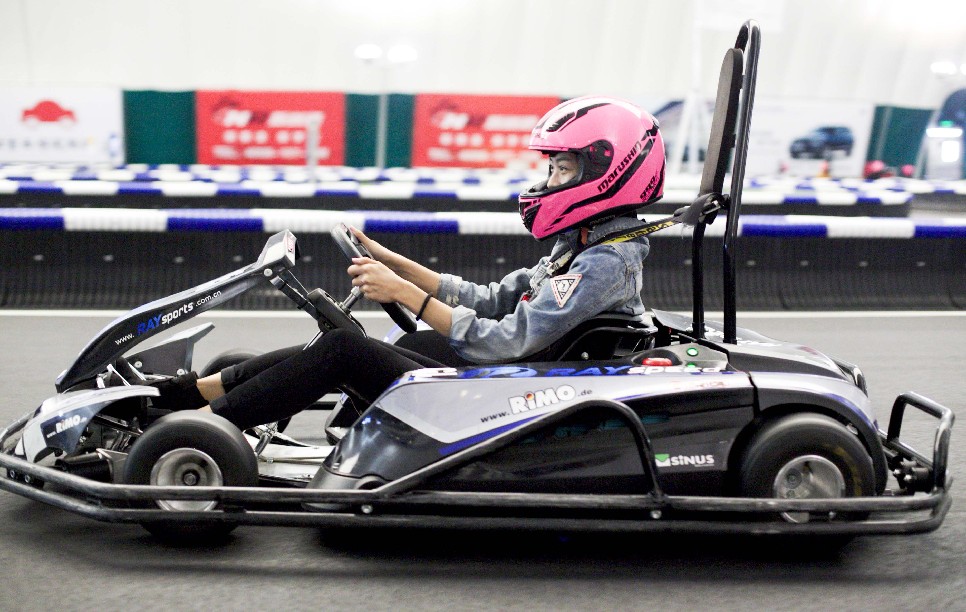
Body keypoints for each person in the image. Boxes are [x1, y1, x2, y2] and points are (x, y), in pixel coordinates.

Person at [152, 95, 666, 430]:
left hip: (505, 402)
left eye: (562, 169)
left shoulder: (606, 262)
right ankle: (192, 393)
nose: (549, 182)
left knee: (343, 349)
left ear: (608, 172)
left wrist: (405, 295)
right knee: (388, 343)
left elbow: (506, 341)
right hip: (504, 380)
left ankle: (198, 424)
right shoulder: (581, 244)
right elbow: (488, 300)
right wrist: (390, 260)